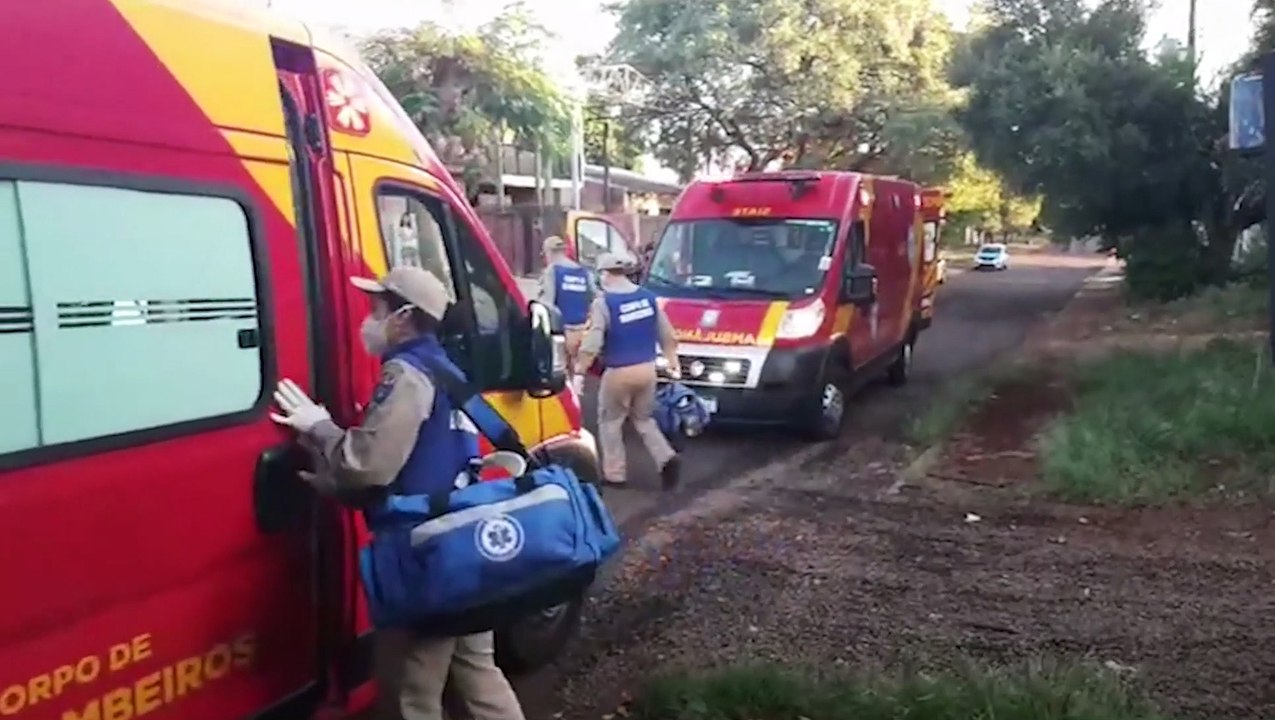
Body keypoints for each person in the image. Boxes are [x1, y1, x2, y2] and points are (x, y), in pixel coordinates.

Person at [269, 265, 524, 720]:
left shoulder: (406, 374)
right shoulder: (445, 367)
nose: (369, 318)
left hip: (426, 559)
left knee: (412, 697)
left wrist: (319, 427)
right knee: (478, 676)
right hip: (466, 546)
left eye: (377, 308)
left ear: (404, 317)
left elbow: (370, 465)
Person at [575, 252, 683, 490]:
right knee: (643, 419)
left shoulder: (604, 303)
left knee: (610, 422)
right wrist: (672, 361)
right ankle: (666, 458)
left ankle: (615, 474)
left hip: (618, 372)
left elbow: (592, 342)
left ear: (605, 274)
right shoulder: (648, 298)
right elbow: (668, 334)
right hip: (647, 369)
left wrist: (580, 370)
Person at [536, 235, 592, 387]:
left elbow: (547, 303)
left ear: (549, 252)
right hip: (582, 332)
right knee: (577, 374)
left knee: (560, 378)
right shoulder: (583, 272)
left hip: (563, 332)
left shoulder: (552, 271)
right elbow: (594, 298)